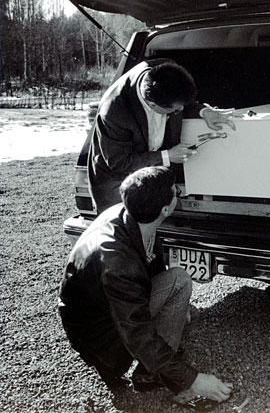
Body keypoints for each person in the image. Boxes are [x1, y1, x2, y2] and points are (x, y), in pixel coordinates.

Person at [58, 166, 232, 407]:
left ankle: (153, 364)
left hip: (103, 313)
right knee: (179, 282)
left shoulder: (126, 214)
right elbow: (137, 333)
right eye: (176, 191)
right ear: (165, 209)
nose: (179, 193)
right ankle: (150, 374)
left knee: (184, 305)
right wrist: (192, 379)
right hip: (101, 338)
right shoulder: (118, 266)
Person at [88, 58, 234, 213]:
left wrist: (203, 111)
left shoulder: (167, 72)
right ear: (152, 105)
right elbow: (120, 163)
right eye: (176, 110)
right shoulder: (114, 111)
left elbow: (181, 101)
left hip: (153, 177)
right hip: (118, 185)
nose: (180, 110)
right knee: (127, 231)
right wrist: (168, 156)